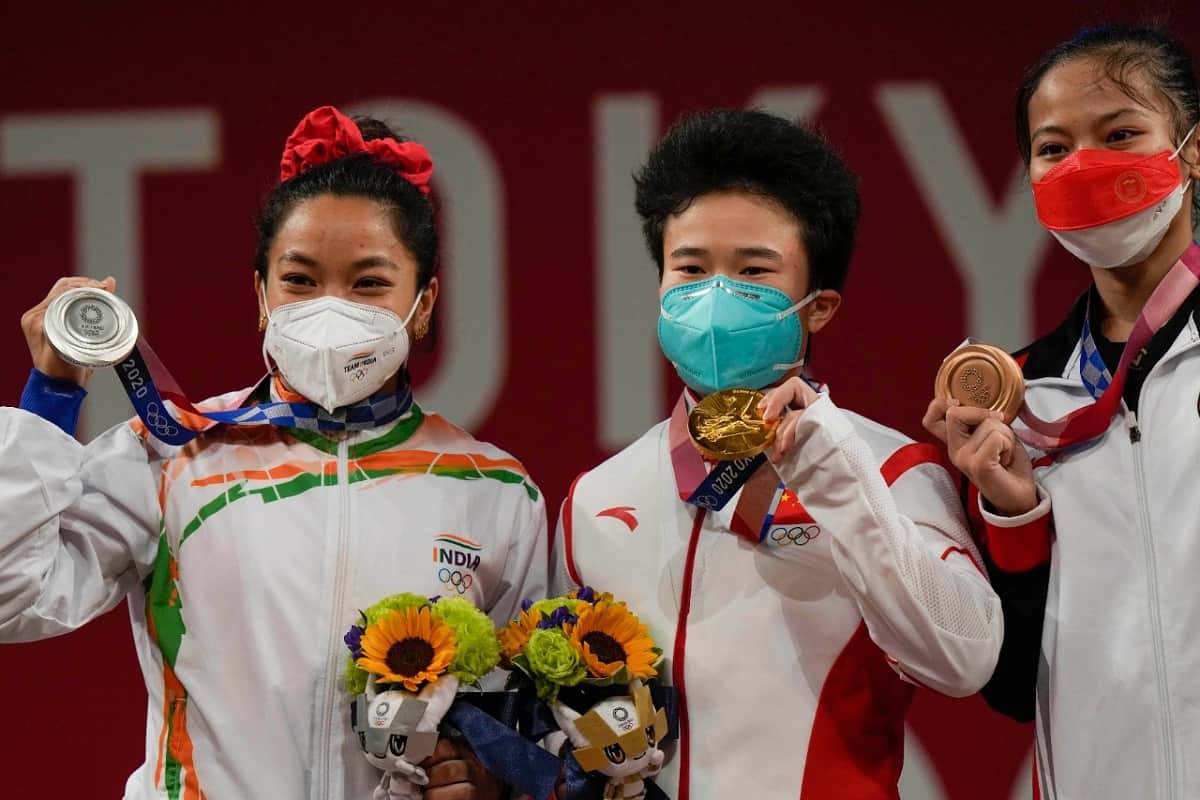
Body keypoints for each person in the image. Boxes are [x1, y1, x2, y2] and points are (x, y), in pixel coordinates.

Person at [2, 106, 547, 800]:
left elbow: (521, 722)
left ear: (425, 301)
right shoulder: (174, 458)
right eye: (300, 279)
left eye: (370, 283)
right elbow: (9, 598)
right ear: (261, 296)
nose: (330, 307)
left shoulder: (496, 492)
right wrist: (50, 393)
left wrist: (487, 777)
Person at [551, 108, 1002, 799]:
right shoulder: (596, 499)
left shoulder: (893, 471)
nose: (715, 297)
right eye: (691, 269)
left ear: (817, 306)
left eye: (754, 271)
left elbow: (964, 659)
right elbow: (566, 720)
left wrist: (838, 478)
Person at [923, 24, 1200, 800]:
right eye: (1053, 148)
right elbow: (1011, 690)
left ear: (1192, 150)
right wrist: (1013, 517)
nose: (1083, 165)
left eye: (1120, 134)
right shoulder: (1022, 401)